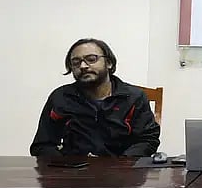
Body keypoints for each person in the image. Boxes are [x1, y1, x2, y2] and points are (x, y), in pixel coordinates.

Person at [30, 38, 160, 157]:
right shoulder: (61, 97)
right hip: (73, 173)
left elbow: (148, 139)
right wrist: (64, 164)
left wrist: (123, 163)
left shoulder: (133, 97)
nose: (83, 66)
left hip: (121, 173)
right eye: (76, 62)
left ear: (108, 63)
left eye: (91, 59)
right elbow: (41, 145)